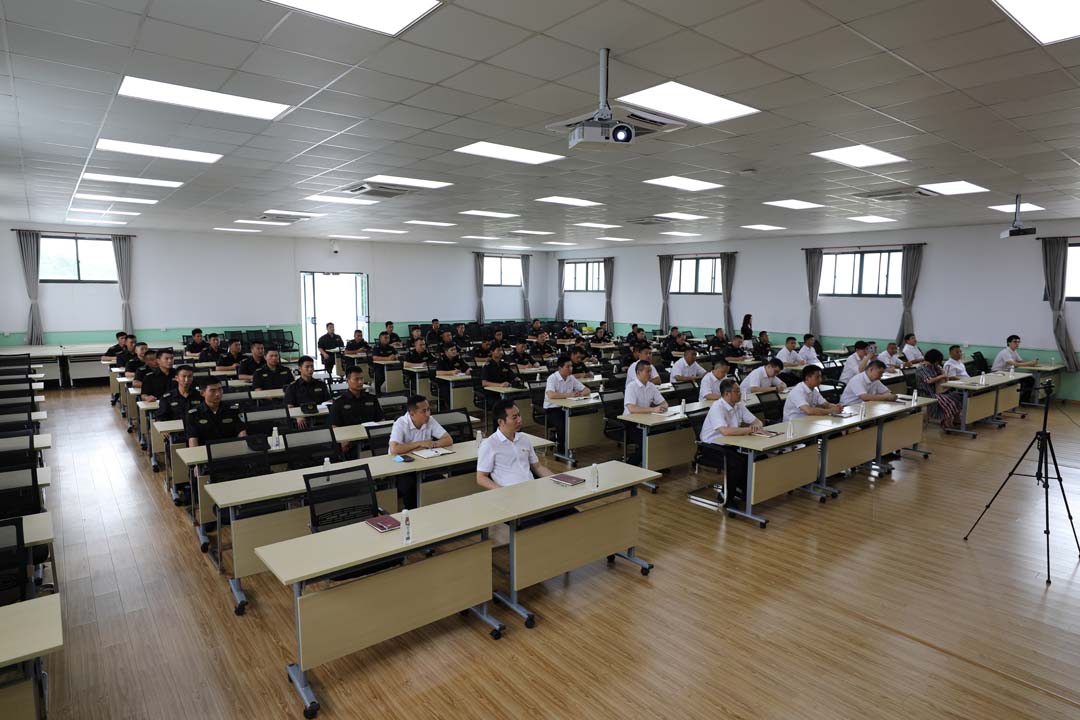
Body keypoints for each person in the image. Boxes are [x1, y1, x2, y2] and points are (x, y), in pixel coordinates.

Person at [700, 378, 765, 507]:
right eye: (737, 391)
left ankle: (742, 490)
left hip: (731, 444)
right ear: (727, 394)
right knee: (736, 462)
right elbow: (725, 431)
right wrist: (749, 430)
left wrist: (756, 427)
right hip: (712, 447)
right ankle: (725, 497)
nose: (740, 394)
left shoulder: (738, 405)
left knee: (756, 457)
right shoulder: (717, 407)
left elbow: (757, 421)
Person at [388, 395, 451, 508]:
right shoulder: (400, 423)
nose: (428, 414)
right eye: (424, 411)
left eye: (428, 409)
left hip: (423, 464)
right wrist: (420, 443)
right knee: (409, 486)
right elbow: (394, 449)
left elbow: (448, 439)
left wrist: (432, 444)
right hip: (400, 466)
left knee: (440, 483)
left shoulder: (429, 420)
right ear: (412, 413)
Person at [476, 400, 554, 489]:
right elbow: (481, 477)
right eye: (514, 418)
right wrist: (501, 491)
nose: (519, 420)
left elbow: (537, 467)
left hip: (531, 487)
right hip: (510, 492)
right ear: (501, 422)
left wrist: (556, 479)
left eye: (519, 415)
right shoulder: (489, 444)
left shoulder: (524, 439)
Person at [329, 366, 383, 457]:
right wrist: (342, 440)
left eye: (362, 378)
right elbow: (334, 426)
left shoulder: (371, 398)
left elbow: (381, 419)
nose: (360, 382)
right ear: (348, 380)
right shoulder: (339, 402)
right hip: (350, 441)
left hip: (371, 439)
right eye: (356, 379)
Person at [543, 355, 590, 452]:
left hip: (567, 407)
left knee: (578, 420)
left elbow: (587, 390)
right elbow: (551, 395)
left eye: (571, 366)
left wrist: (580, 394)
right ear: (560, 368)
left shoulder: (571, 378)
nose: (571, 368)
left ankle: (571, 444)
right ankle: (561, 449)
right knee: (563, 424)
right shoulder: (552, 378)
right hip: (552, 409)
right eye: (567, 366)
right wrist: (570, 395)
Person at [184, 377, 246, 448]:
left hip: (231, 449)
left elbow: (242, 433)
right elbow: (193, 441)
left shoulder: (233, 410)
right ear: (202, 393)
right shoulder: (193, 414)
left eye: (220, 389)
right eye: (212, 391)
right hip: (206, 451)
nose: (217, 394)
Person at [916, 349, 961, 429]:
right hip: (927, 393)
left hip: (937, 391)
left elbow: (944, 377)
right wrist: (942, 376)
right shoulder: (921, 368)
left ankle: (956, 419)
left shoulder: (934, 366)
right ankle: (946, 420)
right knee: (949, 400)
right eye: (938, 362)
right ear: (935, 360)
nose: (938, 364)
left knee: (957, 396)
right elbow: (929, 381)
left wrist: (942, 371)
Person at [284, 355, 331, 428]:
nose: (310, 369)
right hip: (303, 418)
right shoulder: (292, 387)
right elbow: (290, 407)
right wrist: (297, 416)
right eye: (307, 367)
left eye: (312, 366)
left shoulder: (321, 384)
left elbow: (328, 401)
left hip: (320, 416)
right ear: (300, 369)